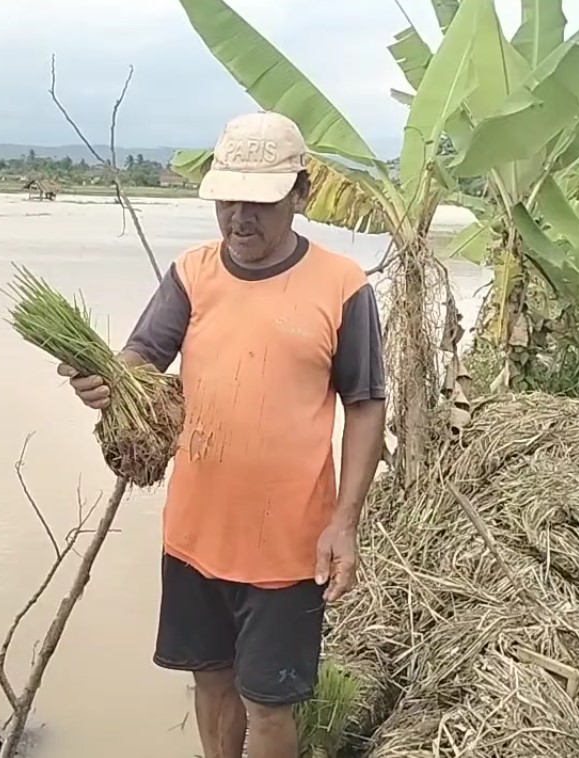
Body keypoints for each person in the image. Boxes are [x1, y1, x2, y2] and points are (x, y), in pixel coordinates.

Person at [58, 111, 387, 758]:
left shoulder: (342, 287)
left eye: (260, 202)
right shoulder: (192, 274)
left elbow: (367, 405)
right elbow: (141, 360)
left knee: (269, 707)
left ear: (302, 193)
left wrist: (344, 522)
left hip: (288, 546)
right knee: (211, 687)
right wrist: (103, 383)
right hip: (195, 536)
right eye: (228, 199)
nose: (240, 217)